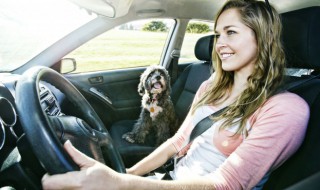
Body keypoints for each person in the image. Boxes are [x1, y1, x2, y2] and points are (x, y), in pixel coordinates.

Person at [42, 0, 310, 189]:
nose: (219, 44)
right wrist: (126, 175)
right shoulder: (211, 86)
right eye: (217, 35)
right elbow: (178, 142)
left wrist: (120, 185)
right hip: (172, 178)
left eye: (231, 32)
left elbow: (228, 184)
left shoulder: (285, 109)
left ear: (263, 39)